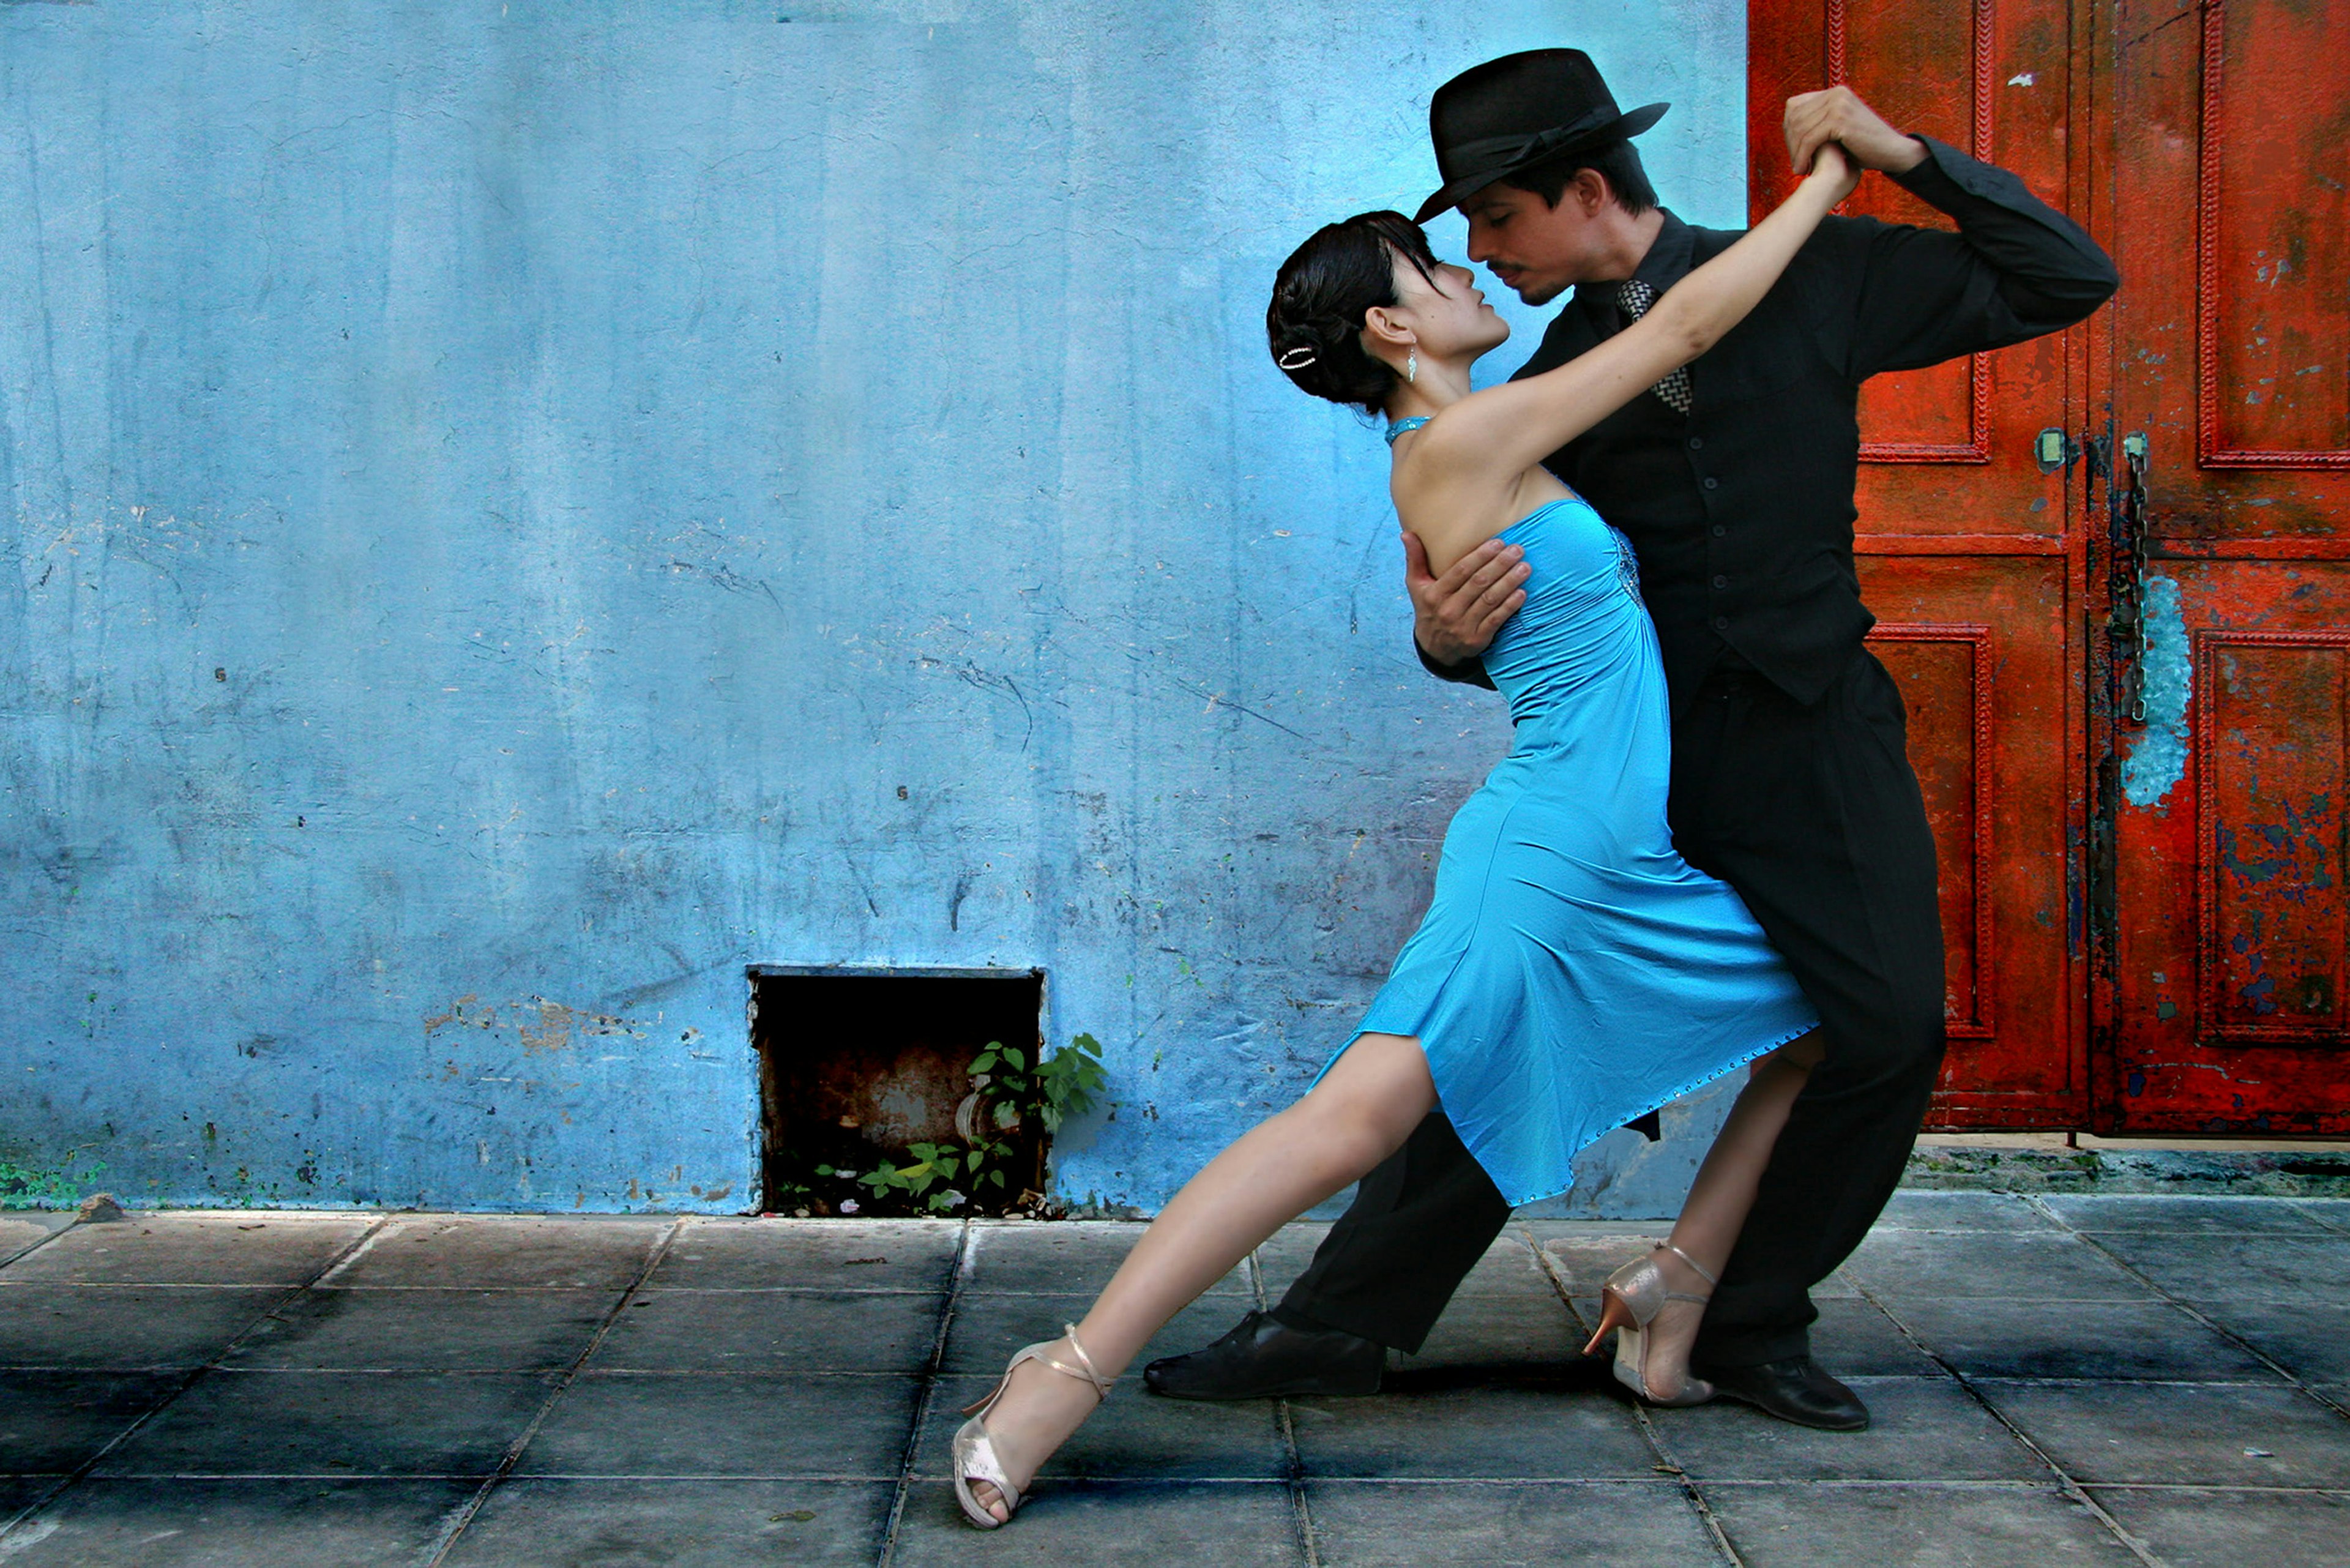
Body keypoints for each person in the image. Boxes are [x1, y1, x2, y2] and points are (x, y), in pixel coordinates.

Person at [1145, 49, 2118, 1432]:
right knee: (1503, 1023)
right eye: (1464, 242)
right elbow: (1515, 613)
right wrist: (1443, 633)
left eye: (1494, 222)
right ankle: (1332, 1323)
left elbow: (2068, 279)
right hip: (1649, 764)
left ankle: (1744, 1319)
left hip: (1815, 744)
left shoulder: (1821, 276)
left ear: (1582, 189)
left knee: (1888, 1028)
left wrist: (1905, 159)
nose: (1480, 254)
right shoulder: (1541, 382)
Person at [950, 137, 1865, 1529]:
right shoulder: (1470, 440)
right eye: (1436, 268)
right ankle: (1060, 1373)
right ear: (1392, 324)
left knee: (1824, 1028)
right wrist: (1826, 183)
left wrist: (1445, 631)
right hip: (1547, 862)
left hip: (1618, 861)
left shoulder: (1458, 446)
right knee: (1353, 1121)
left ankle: (1668, 1304)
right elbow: (1683, 321)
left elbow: (1490, 622)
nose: (1467, 272)